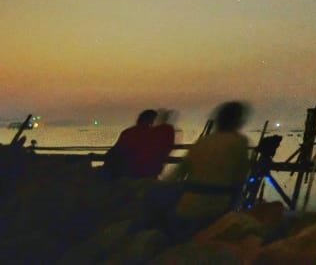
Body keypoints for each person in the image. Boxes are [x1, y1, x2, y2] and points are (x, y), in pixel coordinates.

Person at [165, 101, 251, 237]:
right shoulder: (239, 141)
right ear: (238, 121)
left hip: (187, 206)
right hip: (217, 208)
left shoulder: (204, 140)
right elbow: (240, 179)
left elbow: (177, 173)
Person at [104, 109, 173, 179]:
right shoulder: (158, 134)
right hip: (147, 173)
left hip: (128, 172)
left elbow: (115, 151)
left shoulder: (129, 133)